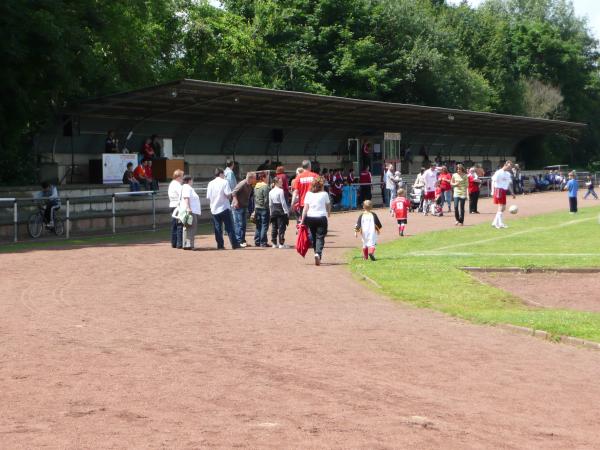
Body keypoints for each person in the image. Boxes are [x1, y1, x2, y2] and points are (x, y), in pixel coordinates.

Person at [206, 168, 240, 249]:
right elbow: (228, 195)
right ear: (221, 174)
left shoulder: (210, 183)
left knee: (217, 228)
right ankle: (234, 245)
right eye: (224, 174)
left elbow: (208, 197)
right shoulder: (224, 182)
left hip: (214, 208)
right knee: (230, 227)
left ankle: (220, 245)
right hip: (224, 207)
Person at [300, 177, 331, 266]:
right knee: (320, 237)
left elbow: (305, 209)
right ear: (321, 186)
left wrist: (302, 221)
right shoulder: (324, 194)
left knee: (313, 237)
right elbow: (328, 205)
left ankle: (316, 253)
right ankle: (318, 253)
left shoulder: (308, 194)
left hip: (310, 217)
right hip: (321, 217)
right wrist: (328, 213)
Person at [231, 172, 256, 247]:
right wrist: (236, 201)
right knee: (239, 224)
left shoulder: (250, 185)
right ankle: (239, 241)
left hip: (244, 206)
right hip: (237, 207)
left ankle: (242, 241)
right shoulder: (242, 184)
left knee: (243, 224)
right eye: (254, 178)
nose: (255, 179)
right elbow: (233, 192)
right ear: (250, 178)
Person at [491, 160, 515, 229]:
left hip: (503, 191)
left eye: (510, 167)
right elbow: (493, 181)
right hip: (498, 190)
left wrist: (512, 192)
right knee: (501, 207)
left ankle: (495, 222)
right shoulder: (498, 172)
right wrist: (492, 191)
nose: (509, 168)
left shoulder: (508, 174)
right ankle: (500, 224)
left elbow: (508, 184)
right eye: (509, 166)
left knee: (503, 208)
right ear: (505, 165)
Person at [180, 175, 201, 250]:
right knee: (191, 227)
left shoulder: (187, 187)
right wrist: (188, 208)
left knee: (189, 228)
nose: (192, 181)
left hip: (191, 210)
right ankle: (189, 245)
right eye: (192, 180)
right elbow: (186, 198)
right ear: (189, 180)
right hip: (190, 210)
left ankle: (188, 244)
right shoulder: (186, 187)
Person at [269, 176, 290, 248]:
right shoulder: (281, 191)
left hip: (274, 210)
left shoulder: (271, 191)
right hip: (280, 210)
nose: (282, 182)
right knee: (281, 227)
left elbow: (270, 204)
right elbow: (283, 202)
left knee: (274, 227)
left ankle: (274, 243)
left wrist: (270, 213)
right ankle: (281, 243)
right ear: (276, 183)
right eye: (280, 181)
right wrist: (286, 212)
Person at [253, 171, 270, 247]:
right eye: (266, 177)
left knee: (258, 225)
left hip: (257, 207)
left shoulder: (256, 186)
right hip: (263, 208)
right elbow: (266, 199)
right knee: (264, 225)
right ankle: (263, 242)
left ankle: (257, 241)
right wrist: (267, 207)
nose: (267, 178)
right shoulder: (265, 186)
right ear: (263, 178)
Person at [168, 169, 184, 249]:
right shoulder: (177, 185)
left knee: (174, 225)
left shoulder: (172, 184)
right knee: (179, 225)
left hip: (173, 205)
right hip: (177, 206)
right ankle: (179, 243)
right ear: (178, 177)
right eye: (182, 176)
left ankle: (174, 243)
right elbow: (182, 195)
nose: (182, 179)